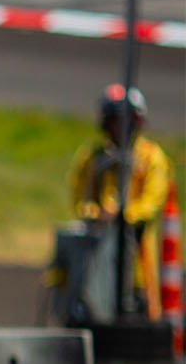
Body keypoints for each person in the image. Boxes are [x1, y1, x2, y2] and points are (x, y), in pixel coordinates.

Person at [67, 84, 173, 314]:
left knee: (139, 312)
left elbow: (152, 202)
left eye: (127, 120)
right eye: (116, 120)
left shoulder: (151, 158)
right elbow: (79, 198)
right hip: (96, 255)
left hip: (138, 257)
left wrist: (123, 214)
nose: (121, 127)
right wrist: (97, 214)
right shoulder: (93, 158)